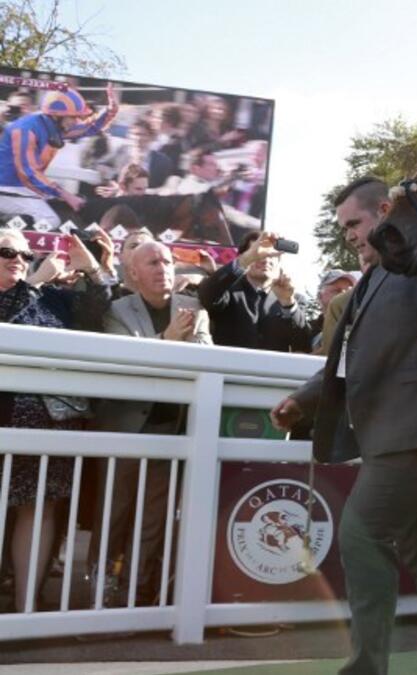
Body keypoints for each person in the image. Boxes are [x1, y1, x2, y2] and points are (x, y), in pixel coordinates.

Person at [270, 177, 417, 675]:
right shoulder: (372, 277)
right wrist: (301, 401)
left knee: (361, 533)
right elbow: (353, 359)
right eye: (344, 228)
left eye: (354, 223)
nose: (349, 235)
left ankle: (367, 668)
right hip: (408, 431)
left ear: (384, 210)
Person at [89, 241, 211, 605]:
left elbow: (206, 357)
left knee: (152, 519)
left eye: (168, 261)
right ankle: (99, 590)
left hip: (171, 428)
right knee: (114, 513)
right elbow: (124, 360)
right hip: (125, 428)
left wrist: (168, 345)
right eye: (153, 262)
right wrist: (169, 340)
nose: (163, 268)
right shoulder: (116, 310)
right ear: (133, 274)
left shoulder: (194, 308)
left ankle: (134, 592)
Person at [0, 229, 111, 612]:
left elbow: (98, 312)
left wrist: (92, 271)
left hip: (45, 424)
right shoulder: (35, 285)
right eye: (7, 252)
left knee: (39, 510)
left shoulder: (49, 296)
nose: (19, 258)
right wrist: (33, 282)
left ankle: (25, 607)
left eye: (26, 254)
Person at [0, 84, 119, 227]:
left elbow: (89, 128)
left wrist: (109, 112)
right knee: (49, 221)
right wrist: (67, 196)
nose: (76, 121)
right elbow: (29, 173)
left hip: (21, 188)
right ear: (56, 115)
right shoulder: (25, 130)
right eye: (73, 117)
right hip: (7, 188)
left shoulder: (55, 125)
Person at [197, 230, 310, 352]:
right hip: (229, 368)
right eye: (259, 255)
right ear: (245, 257)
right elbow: (207, 295)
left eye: (271, 255)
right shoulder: (228, 291)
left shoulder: (294, 300)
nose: (265, 260)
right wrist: (244, 260)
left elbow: (303, 344)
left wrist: (288, 304)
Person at [311, 268, 360, 354]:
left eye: (348, 291)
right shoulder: (308, 330)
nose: (343, 295)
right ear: (319, 296)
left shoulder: (361, 328)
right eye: (337, 290)